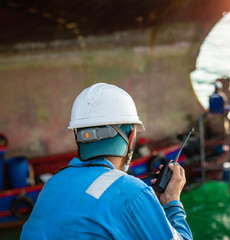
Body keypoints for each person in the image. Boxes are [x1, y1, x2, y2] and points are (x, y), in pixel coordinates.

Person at [20, 83, 193, 240]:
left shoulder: (52, 184)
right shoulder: (133, 192)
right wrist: (172, 201)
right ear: (131, 137)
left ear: (77, 138)